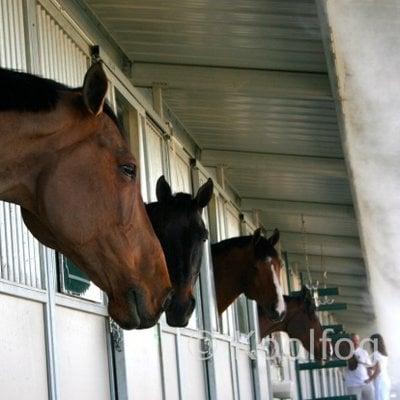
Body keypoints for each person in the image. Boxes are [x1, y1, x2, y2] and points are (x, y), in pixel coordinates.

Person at [344, 333, 374, 400]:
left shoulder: (364, 352)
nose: (356, 342)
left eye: (357, 340)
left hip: (366, 383)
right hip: (353, 385)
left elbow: (369, 367)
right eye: (354, 340)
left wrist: (370, 379)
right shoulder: (344, 353)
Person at [366, 334, 391, 400]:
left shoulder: (376, 353)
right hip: (385, 379)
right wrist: (369, 367)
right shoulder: (384, 353)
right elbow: (378, 367)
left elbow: (378, 370)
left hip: (380, 380)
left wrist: (370, 379)